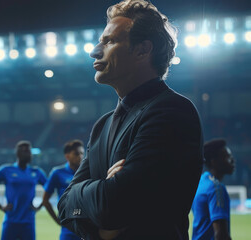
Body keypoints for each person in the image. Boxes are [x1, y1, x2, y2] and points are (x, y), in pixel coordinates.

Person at [57, 0, 203, 239]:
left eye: (109, 41)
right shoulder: (102, 125)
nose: (95, 51)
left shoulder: (172, 111)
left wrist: (94, 198)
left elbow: (113, 206)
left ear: (142, 50)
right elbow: (64, 205)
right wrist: (102, 226)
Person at [0, 140, 47, 240]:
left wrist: (40, 206)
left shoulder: (36, 172)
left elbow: (49, 189)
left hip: (28, 222)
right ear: (18, 153)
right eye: (26, 151)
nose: (29, 154)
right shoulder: (6, 170)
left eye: (29, 151)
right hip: (11, 221)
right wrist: (0, 206)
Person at [192, 139, 235, 240]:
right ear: (214, 162)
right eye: (227, 157)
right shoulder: (216, 188)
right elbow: (221, 235)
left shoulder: (201, 182)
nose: (232, 160)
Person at [42, 140, 84, 240]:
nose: (81, 156)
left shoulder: (88, 172)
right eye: (77, 153)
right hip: (68, 228)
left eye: (82, 153)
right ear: (67, 156)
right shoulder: (57, 173)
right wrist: (57, 220)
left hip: (86, 227)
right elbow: (45, 200)